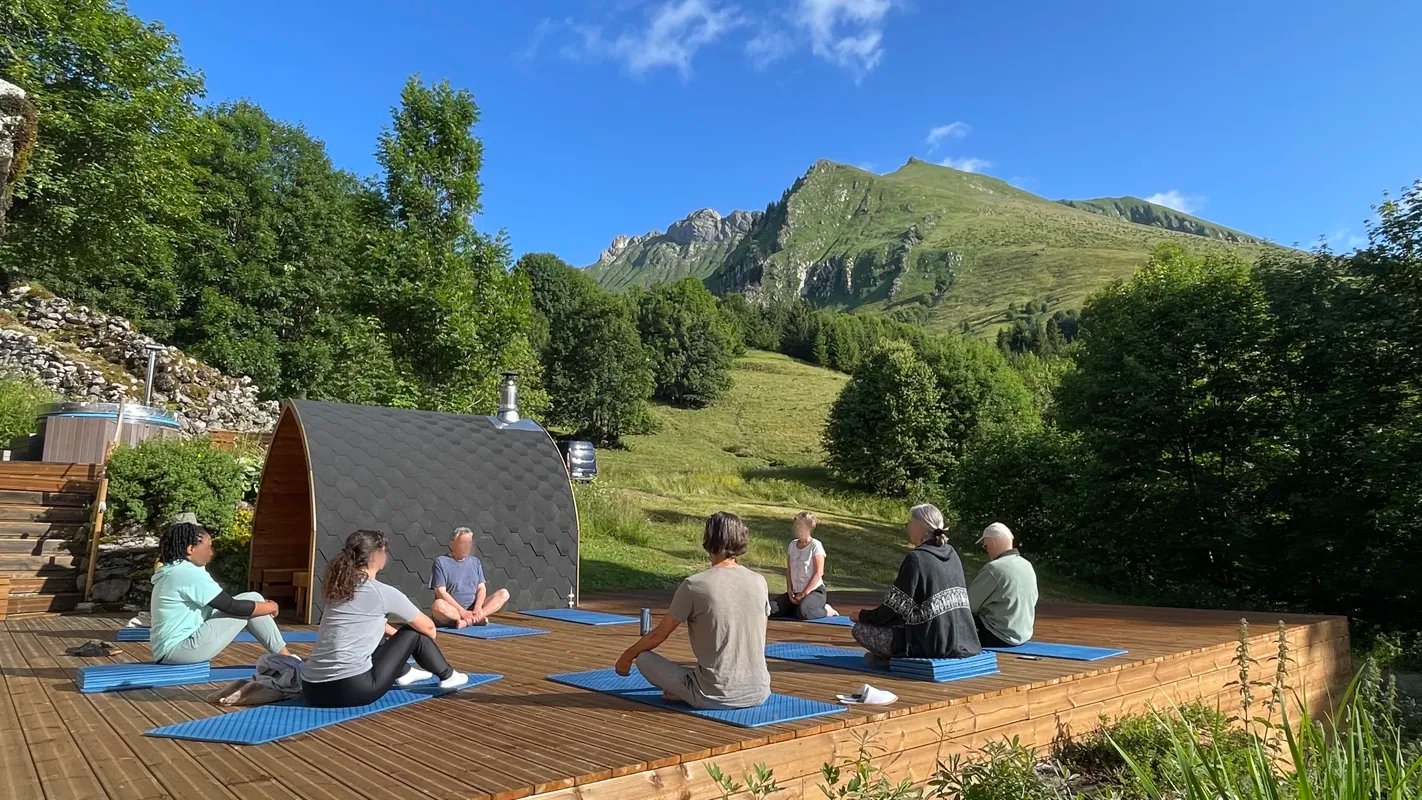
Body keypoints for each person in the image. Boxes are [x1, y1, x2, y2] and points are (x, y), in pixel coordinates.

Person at [615, 512, 771, 710]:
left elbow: (658, 635)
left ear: (707, 539)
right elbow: (761, 636)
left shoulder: (695, 585)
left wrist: (627, 656)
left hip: (714, 696)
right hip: (759, 691)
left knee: (644, 659)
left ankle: (688, 694)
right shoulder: (759, 581)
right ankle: (691, 690)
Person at [302, 529, 467, 708]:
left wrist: (396, 642)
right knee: (414, 633)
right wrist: (404, 640)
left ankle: (404, 673)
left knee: (376, 631)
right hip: (351, 689)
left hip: (312, 690)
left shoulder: (339, 590)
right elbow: (429, 629)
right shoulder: (381, 592)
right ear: (378, 555)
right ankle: (449, 676)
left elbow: (368, 624)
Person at [850, 503, 980, 667]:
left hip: (930, 644)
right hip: (963, 640)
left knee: (860, 629)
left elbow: (894, 609)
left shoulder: (917, 558)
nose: (908, 526)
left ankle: (890, 661)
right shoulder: (952, 554)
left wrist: (862, 616)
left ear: (919, 526)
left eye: (910, 522)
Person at [149, 521, 292, 665]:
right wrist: (272, 607)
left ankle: (286, 658)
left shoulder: (176, 570)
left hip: (170, 650)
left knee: (253, 599)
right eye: (207, 547)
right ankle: (287, 660)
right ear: (190, 549)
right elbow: (231, 606)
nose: (211, 553)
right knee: (252, 600)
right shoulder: (186, 573)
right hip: (180, 651)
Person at [968, 522, 1038, 647]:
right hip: (1023, 634)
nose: (987, 551)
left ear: (992, 543)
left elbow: (969, 605)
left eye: (985, 546)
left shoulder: (994, 569)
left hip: (998, 634)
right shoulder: (1027, 565)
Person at [429, 527, 510, 628]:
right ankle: (472, 619)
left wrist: (478, 608)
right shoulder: (441, 562)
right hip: (453, 610)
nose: (467, 547)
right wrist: (462, 611)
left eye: (469, 543)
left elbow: (481, 588)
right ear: (452, 544)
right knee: (437, 605)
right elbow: (440, 592)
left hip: (473, 609)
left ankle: (469, 620)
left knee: (504, 593)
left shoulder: (475, 562)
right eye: (463, 543)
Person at [767, 511, 839, 620]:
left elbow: (819, 573)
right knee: (770, 609)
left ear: (808, 527)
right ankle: (795, 607)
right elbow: (789, 571)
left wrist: (804, 593)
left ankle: (827, 610)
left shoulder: (815, 545)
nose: (795, 527)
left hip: (814, 591)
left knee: (804, 612)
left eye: (799, 525)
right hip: (795, 591)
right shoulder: (792, 545)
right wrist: (790, 591)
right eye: (795, 524)